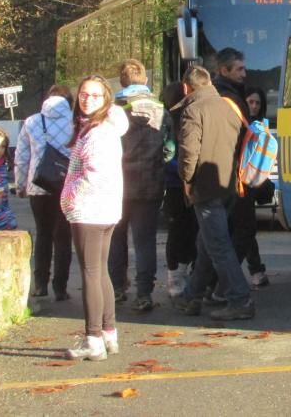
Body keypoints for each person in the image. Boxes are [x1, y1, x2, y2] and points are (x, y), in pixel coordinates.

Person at [172, 64, 255, 321]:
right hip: (229, 184)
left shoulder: (192, 110)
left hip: (205, 188)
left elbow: (188, 154)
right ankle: (191, 296)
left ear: (187, 87)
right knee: (208, 244)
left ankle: (240, 299)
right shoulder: (230, 106)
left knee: (217, 245)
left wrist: (186, 181)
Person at [61, 75, 128, 361]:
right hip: (104, 208)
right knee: (99, 271)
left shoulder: (98, 132)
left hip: (90, 209)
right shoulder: (99, 128)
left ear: (106, 99)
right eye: (83, 94)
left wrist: (70, 196)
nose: (87, 99)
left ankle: (93, 338)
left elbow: (95, 174)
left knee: (91, 273)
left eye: (95, 96)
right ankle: (108, 333)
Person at [108, 59, 169, 311]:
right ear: (145, 80)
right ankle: (144, 293)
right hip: (151, 182)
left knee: (115, 238)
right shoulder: (160, 108)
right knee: (145, 241)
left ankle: (117, 288)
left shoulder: (113, 109)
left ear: (121, 82)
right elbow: (169, 147)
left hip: (117, 183)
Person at [212, 48, 270, 289]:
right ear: (224, 70)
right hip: (233, 176)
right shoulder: (227, 98)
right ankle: (224, 284)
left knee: (228, 233)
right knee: (240, 230)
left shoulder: (231, 93)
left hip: (234, 175)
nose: (245, 73)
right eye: (239, 69)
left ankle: (209, 285)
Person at [14, 85, 74, 301]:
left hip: (38, 185)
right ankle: (60, 286)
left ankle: (40, 284)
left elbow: (22, 157)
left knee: (43, 234)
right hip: (66, 184)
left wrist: (20, 184)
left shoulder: (32, 122)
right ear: (69, 100)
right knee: (64, 236)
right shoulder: (77, 121)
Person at [162, 81, 197, 298]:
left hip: (174, 184)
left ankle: (177, 275)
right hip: (182, 183)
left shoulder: (167, 119)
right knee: (186, 230)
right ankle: (179, 274)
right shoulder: (180, 119)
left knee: (179, 231)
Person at [236, 86, 271, 287]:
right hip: (238, 184)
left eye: (258, 103)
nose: (254, 106)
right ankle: (253, 270)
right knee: (244, 230)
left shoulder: (260, 126)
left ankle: (255, 269)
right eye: (251, 102)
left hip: (250, 184)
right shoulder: (240, 124)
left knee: (246, 230)